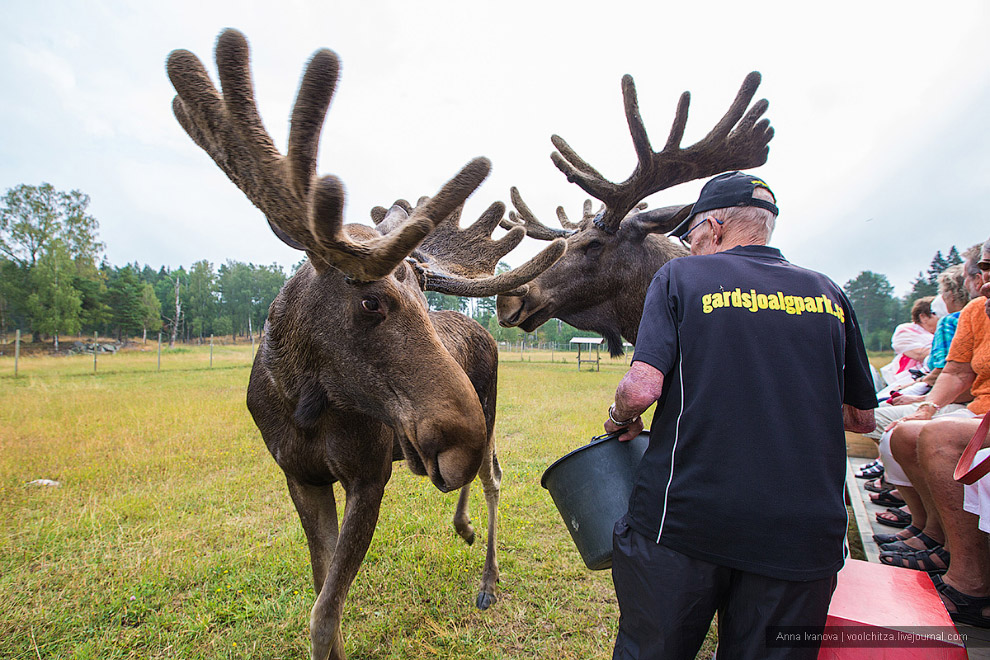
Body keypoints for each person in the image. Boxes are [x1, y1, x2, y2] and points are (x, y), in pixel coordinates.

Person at [603, 171, 876, 660]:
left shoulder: (681, 277)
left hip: (684, 521)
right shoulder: (828, 292)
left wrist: (619, 415)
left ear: (714, 226)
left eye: (691, 236)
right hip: (802, 536)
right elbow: (860, 419)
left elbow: (642, 389)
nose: (689, 246)